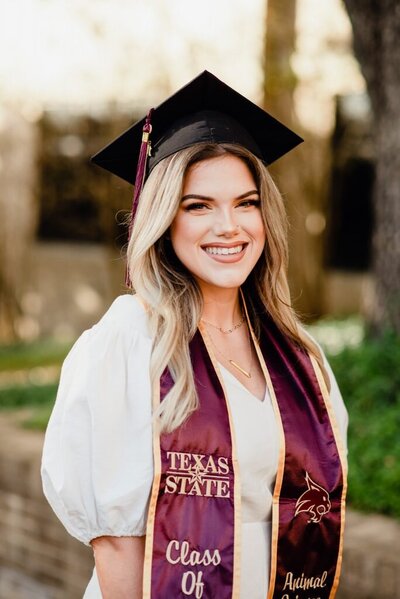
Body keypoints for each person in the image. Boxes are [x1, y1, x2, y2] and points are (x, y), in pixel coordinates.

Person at [41, 71, 348, 599]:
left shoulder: (300, 356)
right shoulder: (131, 339)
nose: (229, 226)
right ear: (163, 219)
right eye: (198, 205)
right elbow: (117, 544)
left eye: (246, 203)